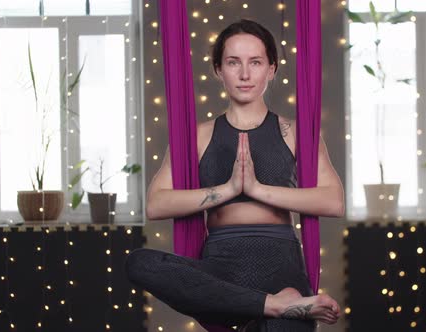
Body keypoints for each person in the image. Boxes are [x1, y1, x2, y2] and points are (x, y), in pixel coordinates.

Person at [125, 19, 345, 331]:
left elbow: (334, 201)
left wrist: (255, 188)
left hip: (282, 266)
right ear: (218, 69)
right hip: (220, 275)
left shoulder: (294, 133)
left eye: (255, 62)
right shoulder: (198, 137)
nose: (244, 74)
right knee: (138, 262)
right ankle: (274, 304)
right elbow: (156, 205)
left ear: (271, 69)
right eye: (233, 62)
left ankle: (275, 306)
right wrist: (229, 189)